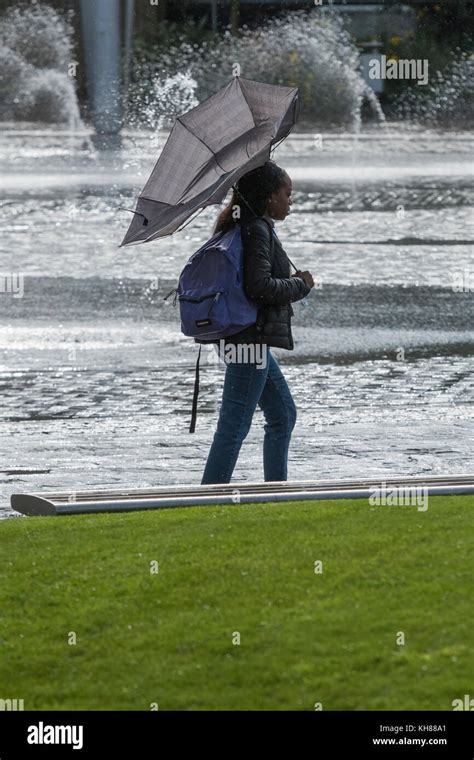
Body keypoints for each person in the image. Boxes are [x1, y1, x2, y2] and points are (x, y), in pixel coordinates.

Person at [200, 160, 315, 484]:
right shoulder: (255, 229)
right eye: (287, 194)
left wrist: (293, 282)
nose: (290, 201)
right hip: (247, 341)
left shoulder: (246, 225)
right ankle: (209, 496)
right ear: (269, 196)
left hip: (246, 338)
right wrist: (300, 285)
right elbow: (259, 287)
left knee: (282, 415)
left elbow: (254, 282)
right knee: (234, 424)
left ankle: (276, 491)